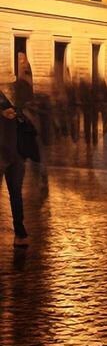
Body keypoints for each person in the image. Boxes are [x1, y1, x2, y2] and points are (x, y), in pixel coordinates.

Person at [2, 89, 30, 243]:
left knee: (16, 194)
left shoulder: (19, 115)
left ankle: (19, 227)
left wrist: (19, 115)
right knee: (16, 194)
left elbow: (30, 130)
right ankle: (19, 228)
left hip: (16, 158)